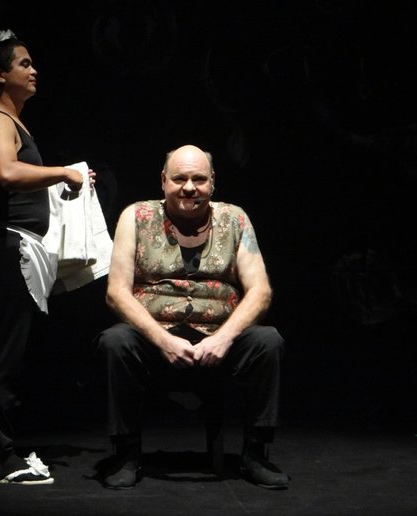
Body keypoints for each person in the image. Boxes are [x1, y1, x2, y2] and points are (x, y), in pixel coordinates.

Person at [94, 144, 289, 490]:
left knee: (267, 341)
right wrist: (163, 340)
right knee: (115, 341)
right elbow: (116, 292)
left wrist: (223, 338)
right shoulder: (136, 217)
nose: (189, 187)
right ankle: (126, 454)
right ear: (163, 181)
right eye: (179, 178)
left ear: (212, 181)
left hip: (219, 342)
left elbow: (260, 291)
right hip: (155, 341)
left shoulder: (235, 219)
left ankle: (255, 454)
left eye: (199, 179)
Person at [0, 29, 94, 485]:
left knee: (11, 354)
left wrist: (65, 181)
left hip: (13, 246)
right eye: (23, 63)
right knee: (3, 355)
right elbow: (5, 171)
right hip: (4, 247)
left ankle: (2, 450)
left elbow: (20, 177)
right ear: (0, 74)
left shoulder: (13, 121)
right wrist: (62, 172)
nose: (33, 70)